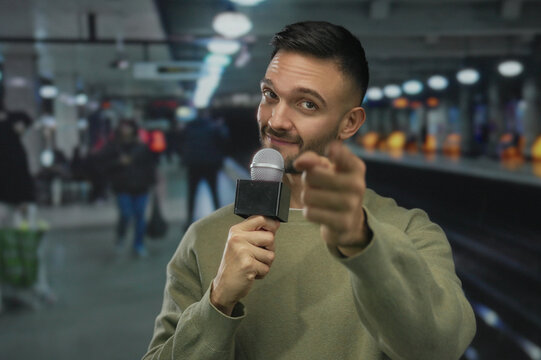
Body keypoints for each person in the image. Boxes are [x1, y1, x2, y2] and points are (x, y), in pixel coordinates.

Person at [144, 21, 475, 359]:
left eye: (307, 105)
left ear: (350, 123)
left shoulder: (407, 231)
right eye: (270, 95)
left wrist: (364, 244)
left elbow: (439, 348)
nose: (276, 121)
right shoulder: (207, 237)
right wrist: (217, 301)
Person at [99, 119, 157, 257]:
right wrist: (118, 163)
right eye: (123, 127)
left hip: (141, 187)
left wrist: (151, 183)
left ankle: (138, 244)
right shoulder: (113, 147)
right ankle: (121, 235)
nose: (126, 130)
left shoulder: (141, 147)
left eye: (128, 127)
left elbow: (149, 167)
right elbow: (103, 166)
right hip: (122, 187)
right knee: (125, 214)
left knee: (140, 217)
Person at [181, 110, 230, 226]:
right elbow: (224, 141)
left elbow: (182, 143)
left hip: (193, 165)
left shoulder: (189, 127)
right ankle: (218, 218)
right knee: (214, 192)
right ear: (206, 115)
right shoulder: (213, 127)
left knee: (192, 193)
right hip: (210, 165)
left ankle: (189, 219)